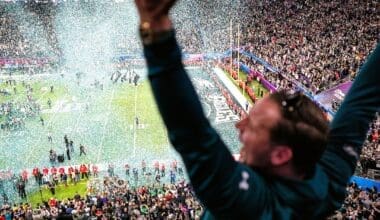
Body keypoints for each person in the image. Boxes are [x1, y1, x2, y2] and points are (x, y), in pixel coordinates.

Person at [134, 0, 380, 219]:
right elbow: (362, 100)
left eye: (251, 125)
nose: (239, 126)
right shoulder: (327, 181)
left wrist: (156, 28)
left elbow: (191, 132)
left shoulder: (248, 205)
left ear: (280, 155)